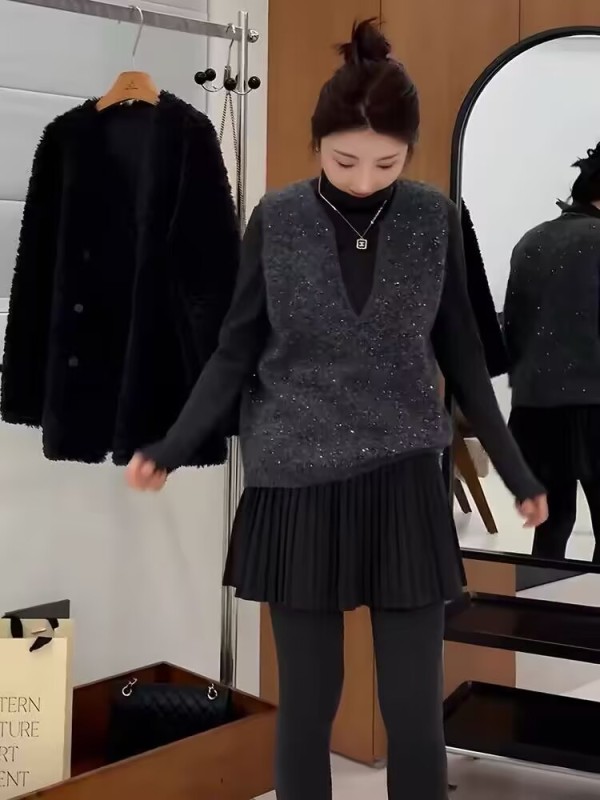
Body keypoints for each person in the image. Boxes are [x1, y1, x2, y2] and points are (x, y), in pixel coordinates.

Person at [127, 20, 547, 800]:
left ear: (409, 152)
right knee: (309, 707)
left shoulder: (434, 220)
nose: (362, 179)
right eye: (344, 160)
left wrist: (519, 472)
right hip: (297, 485)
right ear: (317, 143)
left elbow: (462, 358)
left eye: (386, 163)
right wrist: (173, 443)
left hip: (404, 482)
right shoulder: (278, 218)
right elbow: (235, 349)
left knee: (413, 711)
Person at [505, 143, 600, 563]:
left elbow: (513, 329)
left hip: (536, 411)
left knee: (552, 525)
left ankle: (540, 602)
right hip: (595, 408)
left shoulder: (532, 239)